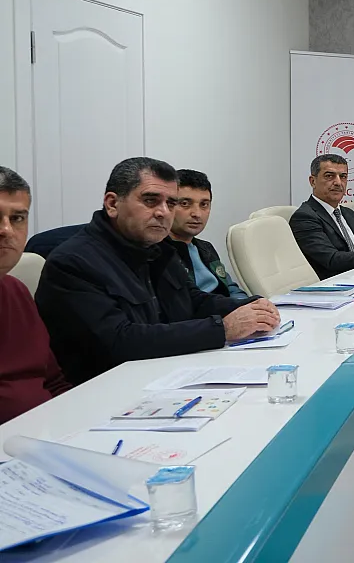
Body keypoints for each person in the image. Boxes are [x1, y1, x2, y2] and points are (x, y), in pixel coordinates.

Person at [36, 158, 281, 385]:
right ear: (112, 204)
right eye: (150, 200)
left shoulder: (159, 249)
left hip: (166, 373)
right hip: (108, 389)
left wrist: (250, 306)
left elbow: (192, 300)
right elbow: (120, 341)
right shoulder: (72, 263)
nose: (163, 212)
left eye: (171, 203)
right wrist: (222, 329)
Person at [0, 167, 71, 422]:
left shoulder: (16, 290)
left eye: (17, 218)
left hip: (45, 431)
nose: (6, 230)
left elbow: (53, 381)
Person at [165, 169, 248, 299]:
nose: (197, 214)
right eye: (185, 204)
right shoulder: (160, 253)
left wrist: (252, 305)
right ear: (168, 206)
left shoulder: (205, 248)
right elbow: (186, 303)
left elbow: (231, 288)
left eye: (204, 204)